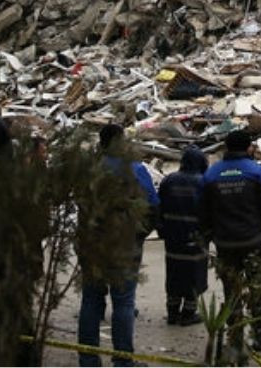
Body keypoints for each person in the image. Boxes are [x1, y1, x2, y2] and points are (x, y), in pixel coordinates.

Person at [77, 124, 160, 367]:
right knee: (123, 302)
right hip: (124, 247)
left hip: (91, 245)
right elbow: (153, 206)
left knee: (91, 301)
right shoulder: (135, 170)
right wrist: (138, 235)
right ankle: (123, 361)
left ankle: (88, 360)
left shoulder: (89, 170)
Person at [200, 130, 261, 352]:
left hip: (225, 243)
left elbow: (203, 209)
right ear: (248, 148)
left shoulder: (212, 174)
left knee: (231, 291)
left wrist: (210, 235)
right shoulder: (256, 172)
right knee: (258, 289)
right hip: (254, 242)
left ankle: (235, 339)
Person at [158, 146, 209, 326]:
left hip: (172, 238)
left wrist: (161, 229)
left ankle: (172, 313)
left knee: (173, 274)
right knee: (194, 276)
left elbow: (159, 207)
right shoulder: (204, 182)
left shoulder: (169, 180)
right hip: (196, 238)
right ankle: (188, 313)